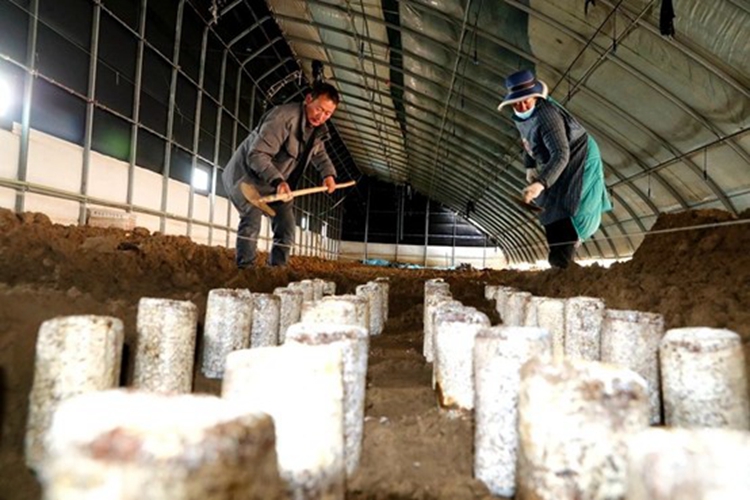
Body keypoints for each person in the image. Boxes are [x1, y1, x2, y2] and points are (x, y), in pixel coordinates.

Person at [497, 69, 612, 269]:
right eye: (517, 102)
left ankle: (563, 260)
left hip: (578, 155)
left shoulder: (547, 116)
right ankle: (557, 259)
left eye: (527, 100)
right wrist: (530, 166)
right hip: (557, 156)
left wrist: (540, 184)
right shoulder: (522, 116)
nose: (522, 105)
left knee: (569, 202)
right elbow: (527, 141)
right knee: (549, 205)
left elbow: (561, 154)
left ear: (536, 96)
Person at [222, 81, 340, 268]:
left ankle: (277, 270)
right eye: (319, 109)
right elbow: (257, 154)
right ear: (308, 99)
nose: (321, 116)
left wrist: (328, 175)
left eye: (328, 113)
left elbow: (320, 154)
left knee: (286, 227)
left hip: (276, 185)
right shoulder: (283, 118)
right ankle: (246, 270)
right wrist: (278, 181)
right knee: (251, 220)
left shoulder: (316, 131)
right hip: (246, 178)